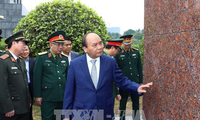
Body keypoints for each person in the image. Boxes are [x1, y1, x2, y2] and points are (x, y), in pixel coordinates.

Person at [62, 33, 153, 120]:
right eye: (95, 45)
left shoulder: (110, 62)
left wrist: (137, 87)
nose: (100, 47)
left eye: (100, 43)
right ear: (85, 48)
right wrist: (66, 116)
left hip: (105, 112)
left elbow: (121, 80)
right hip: (81, 113)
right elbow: (69, 92)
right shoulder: (75, 64)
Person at [33, 31, 69, 120]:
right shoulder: (42, 58)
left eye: (62, 44)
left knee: (60, 118)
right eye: (57, 44)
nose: (60, 47)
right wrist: (38, 96)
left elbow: (67, 77)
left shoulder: (65, 59)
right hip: (48, 97)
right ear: (51, 45)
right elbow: (37, 78)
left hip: (62, 96)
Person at [0, 31, 31, 120]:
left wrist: (28, 101)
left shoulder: (21, 61)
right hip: (11, 109)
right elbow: (2, 87)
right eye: (23, 43)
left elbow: (25, 83)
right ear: (14, 43)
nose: (25, 46)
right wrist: (7, 108)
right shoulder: (3, 61)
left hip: (23, 107)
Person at [115, 35, 143, 120]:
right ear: (123, 44)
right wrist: (117, 83)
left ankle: (136, 118)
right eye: (126, 44)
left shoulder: (136, 52)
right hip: (123, 83)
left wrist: (140, 81)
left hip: (135, 82)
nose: (128, 46)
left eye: (129, 44)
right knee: (123, 103)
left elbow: (139, 68)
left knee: (136, 103)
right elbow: (116, 69)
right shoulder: (118, 54)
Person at [20, 45, 35, 120]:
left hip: (30, 86)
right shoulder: (18, 61)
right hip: (21, 86)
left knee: (30, 105)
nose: (25, 52)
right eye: (23, 50)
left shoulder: (33, 62)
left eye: (26, 50)